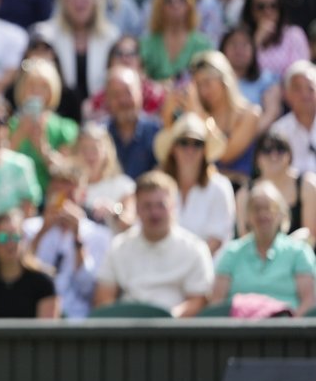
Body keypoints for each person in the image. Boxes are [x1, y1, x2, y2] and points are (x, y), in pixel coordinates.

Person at [94, 171, 214, 316]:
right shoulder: (119, 246)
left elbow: (199, 300)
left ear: (173, 206)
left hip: (175, 333)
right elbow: (104, 298)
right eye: (147, 206)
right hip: (128, 330)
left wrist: (167, 320)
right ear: (137, 208)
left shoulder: (195, 248)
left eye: (161, 205)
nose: (154, 213)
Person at [213, 180, 316, 315]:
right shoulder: (231, 252)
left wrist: (289, 331)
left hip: (287, 331)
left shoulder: (299, 252)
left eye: (270, 208)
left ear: (281, 214)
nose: (263, 214)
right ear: (248, 216)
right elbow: (217, 302)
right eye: (256, 208)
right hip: (240, 331)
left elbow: (309, 301)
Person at [24, 165, 114, 319]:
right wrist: (42, 231)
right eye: (58, 194)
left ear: (83, 196)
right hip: (35, 317)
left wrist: (77, 237)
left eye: (70, 195)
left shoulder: (100, 236)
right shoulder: (29, 228)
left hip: (78, 320)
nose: (64, 202)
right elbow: (23, 276)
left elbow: (88, 289)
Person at [165, 51, 261, 184]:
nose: (203, 91)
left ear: (224, 80)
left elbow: (225, 154)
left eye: (207, 83)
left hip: (238, 188)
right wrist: (170, 105)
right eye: (198, 85)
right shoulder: (196, 113)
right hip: (202, 187)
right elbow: (169, 147)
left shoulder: (250, 114)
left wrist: (198, 114)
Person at [154, 113, 236, 254]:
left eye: (197, 144)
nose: (190, 150)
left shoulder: (220, 187)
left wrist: (188, 265)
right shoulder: (160, 187)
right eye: (184, 143)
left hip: (208, 270)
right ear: (173, 149)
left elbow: (217, 240)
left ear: (205, 150)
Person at [0, 210, 59, 319]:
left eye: (15, 237)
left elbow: (47, 332)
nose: (10, 243)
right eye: (2, 237)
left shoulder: (44, 283)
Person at [9, 58, 79, 195]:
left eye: (43, 86)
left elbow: (67, 173)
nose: (36, 91)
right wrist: (19, 136)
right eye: (31, 86)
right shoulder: (10, 125)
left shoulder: (65, 129)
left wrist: (43, 148)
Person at [238, 132, 316, 237]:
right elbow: (245, 237)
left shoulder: (307, 185)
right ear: (257, 158)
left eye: (280, 149)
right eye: (267, 150)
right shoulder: (245, 193)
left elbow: (311, 235)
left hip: (300, 251)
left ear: (289, 155)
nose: (274, 156)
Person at [141, 0, 214, 82]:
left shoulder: (203, 45)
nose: (175, 4)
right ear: (160, 6)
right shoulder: (146, 45)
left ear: (189, 4)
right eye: (168, 0)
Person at [242, 0, 309, 79]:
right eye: (260, 6)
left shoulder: (294, 34)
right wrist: (257, 39)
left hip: (288, 91)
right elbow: (240, 69)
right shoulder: (243, 37)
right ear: (251, 11)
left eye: (273, 5)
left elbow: (301, 71)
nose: (267, 11)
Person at [272, 61, 316, 174]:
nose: (304, 95)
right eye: (297, 89)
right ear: (286, 94)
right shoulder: (278, 131)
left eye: (310, 88)